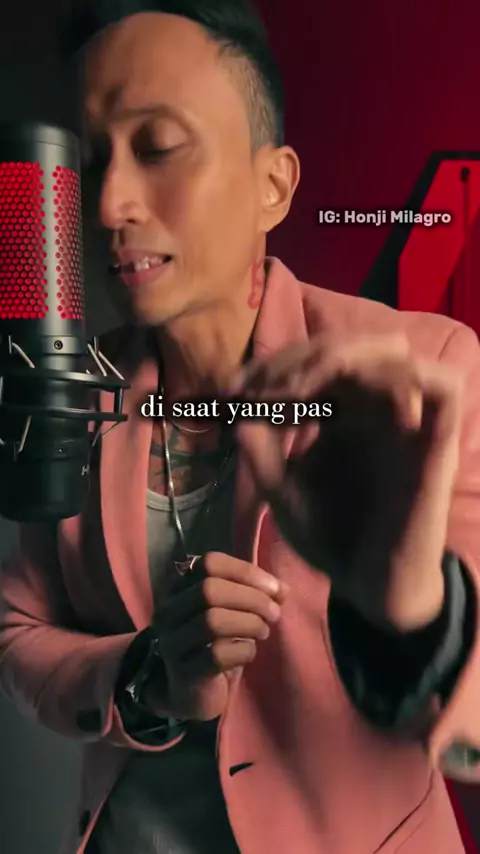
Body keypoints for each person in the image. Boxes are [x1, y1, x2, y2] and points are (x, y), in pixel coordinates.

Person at [1, 1, 480, 852]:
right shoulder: (70, 387)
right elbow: (18, 629)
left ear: (274, 187)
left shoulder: (425, 370)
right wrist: (144, 678)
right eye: (93, 158)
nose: (108, 202)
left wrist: (413, 611)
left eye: (158, 147)